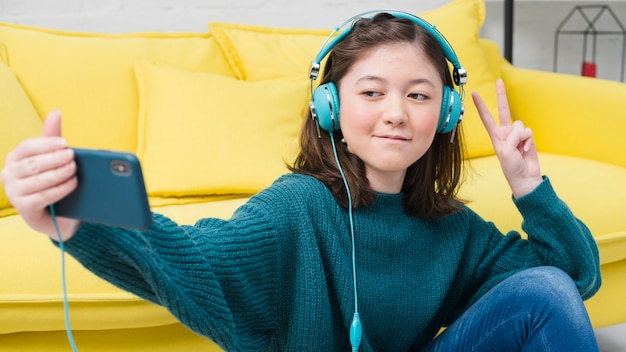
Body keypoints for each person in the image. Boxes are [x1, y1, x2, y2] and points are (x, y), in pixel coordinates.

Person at [1, 12, 601, 352]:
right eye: (372, 93)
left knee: (544, 289)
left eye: (419, 96)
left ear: (443, 118)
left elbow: (571, 280)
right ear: (331, 110)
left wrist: (529, 188)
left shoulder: (452, 229)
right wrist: (78, 218)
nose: (397, 112)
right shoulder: (297, 210)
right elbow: (196, 261)